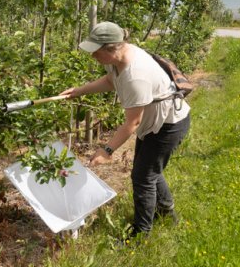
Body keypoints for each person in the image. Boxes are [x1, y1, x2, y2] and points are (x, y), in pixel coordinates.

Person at [59, 21, 191, 238]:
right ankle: (166, 212)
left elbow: (133, 123)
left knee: (143, 177)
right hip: (156, 121)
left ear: (112, 48)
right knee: (147, 169)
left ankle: (140, 235)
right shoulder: (118, 58)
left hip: (169, 125)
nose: (93, 56)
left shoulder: (135, 75)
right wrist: (79, 91)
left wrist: (107, 150)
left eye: (96, 52)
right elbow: (111, 80)